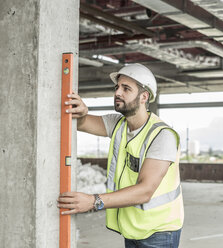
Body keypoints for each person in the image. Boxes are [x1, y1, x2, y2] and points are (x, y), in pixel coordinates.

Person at [57, 63, 184, 248]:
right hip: (132, 228)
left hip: (159, 231)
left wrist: (93, 201)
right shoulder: (118, 124)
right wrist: (83, 112)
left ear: (144, 97)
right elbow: (82, 122)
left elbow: (145, 191)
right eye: (117, 87)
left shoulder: (161, 135)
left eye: (126, 88)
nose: (118, 92)